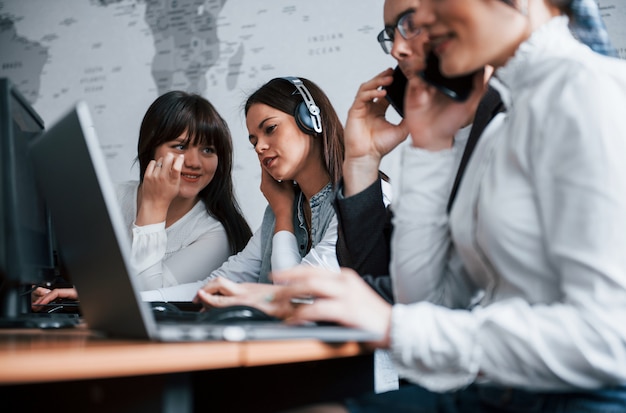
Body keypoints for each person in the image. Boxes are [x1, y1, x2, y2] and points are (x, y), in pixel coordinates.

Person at [270, 0, 626, 411]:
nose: (420, 23)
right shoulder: (503, 127)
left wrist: (394, 326)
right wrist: (428, 147)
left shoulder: (589, 91)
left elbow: (612, 338)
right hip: (504, 391)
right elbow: (429, 305)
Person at [140, 76, 359, 305]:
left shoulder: (359, 201)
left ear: (310, 120)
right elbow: (220, 284)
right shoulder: (280, 209)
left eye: (270, 129)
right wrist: (141, 301)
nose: (260, 147)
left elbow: (295, 297)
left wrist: (284, 215)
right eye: (254, 140)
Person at [32, 91, 252, 306]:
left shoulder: (214, 234)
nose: (195, 162)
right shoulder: (111, 197)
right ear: (151, 149)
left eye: (208, 150)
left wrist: (154, 206)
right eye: (180, 146)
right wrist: (41, 290)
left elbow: (150, 298)